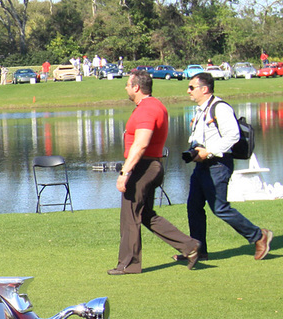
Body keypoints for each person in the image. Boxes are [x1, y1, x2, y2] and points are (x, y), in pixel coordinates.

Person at [110, 69, 200, 275]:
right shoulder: (154, 105)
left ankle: (128, 264)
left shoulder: (147, 110)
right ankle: (189, 246)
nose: (125, 87)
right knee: (146, 214)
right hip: (152, 165)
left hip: (144, 166)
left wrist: (125, 172)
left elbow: (141, 144)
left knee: (130, 216)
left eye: (127, 84)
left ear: (136, 87)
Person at [184, 72, 272, 261]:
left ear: (204, 89)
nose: (188, 91)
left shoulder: (220, 108)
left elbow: (233, 136)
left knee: (220, 208)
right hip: (202, 165)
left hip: (217, 164)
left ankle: (259, 236)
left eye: (192, 87)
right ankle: (199, 250)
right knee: (193, 206)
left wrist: (208, 151)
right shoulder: (201, 110)